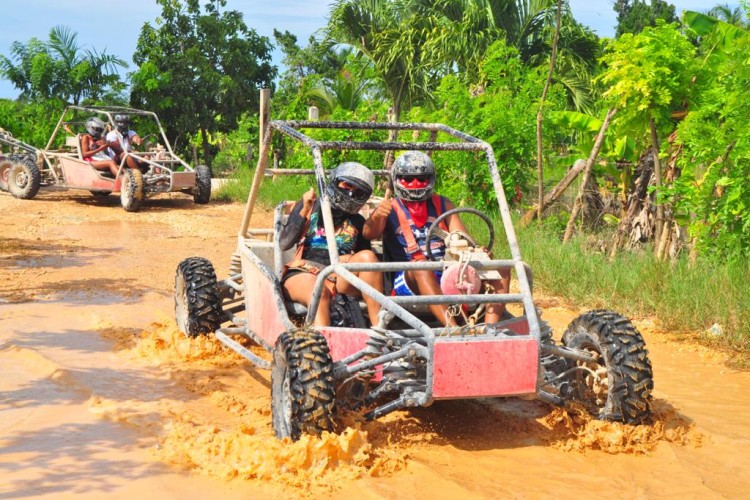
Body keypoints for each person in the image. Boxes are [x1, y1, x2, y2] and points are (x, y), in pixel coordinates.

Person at [364, 150, 509, 327]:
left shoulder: (442, 204)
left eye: (421, 179)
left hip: (448, 271)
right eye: (408, 179)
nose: (415, 184)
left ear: (430, 179)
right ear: (397, 179)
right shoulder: (389, 208)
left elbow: (462, 239)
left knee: (501, 268)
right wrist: (377, 216)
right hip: (409, 278)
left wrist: (477, 252)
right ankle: (453, 330)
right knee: (421, 267)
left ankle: (490, 329)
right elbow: (368, 234)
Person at [279, 162, 384, 327]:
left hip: (337, 276)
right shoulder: (311, 206)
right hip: (303, 273)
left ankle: (380, 333)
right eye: (347, 185)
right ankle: (325, 344)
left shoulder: (357, 221)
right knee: (318, 290)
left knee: (368, 257)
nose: (350, 192)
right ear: (335, 182)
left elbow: (366, 259)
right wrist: (304, 209)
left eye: (358, 191)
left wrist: (351, 256)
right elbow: (284, 243)